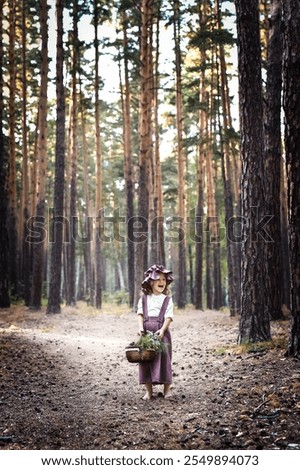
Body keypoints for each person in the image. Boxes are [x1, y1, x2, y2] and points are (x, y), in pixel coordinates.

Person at [137, 264, 174, 400]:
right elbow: (140, 314)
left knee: (165, 359)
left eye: (164, 280)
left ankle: (167, 390)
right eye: (158, 279)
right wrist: (141, 328)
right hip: (146, 333)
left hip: (161, 333)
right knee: (146, 360)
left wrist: (163, 329)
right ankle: (148, 391)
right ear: (150, 282)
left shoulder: (167, 300)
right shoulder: (144, 299)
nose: (161, 282)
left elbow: (169, 316)